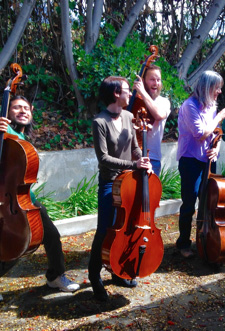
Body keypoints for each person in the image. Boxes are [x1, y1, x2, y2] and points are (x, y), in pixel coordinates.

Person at [0, 96, 80, 305]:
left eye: (26, 108)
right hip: (4, 202)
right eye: (16, 108)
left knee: (51, 236)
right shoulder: (4, 133)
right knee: (13, 247)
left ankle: (55, 277)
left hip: (25, 200)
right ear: (8, 112)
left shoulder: (22, 137)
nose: (22, 111)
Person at [89, 76, 152, 301]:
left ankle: (117, 272)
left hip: (130, 181)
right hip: (110, 183)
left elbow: (135, 148)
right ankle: (94, 276)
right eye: (127, 90)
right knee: (105, 229)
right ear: (116, 93)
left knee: (126, 228)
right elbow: (104, 158)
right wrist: (132, 164)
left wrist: (144, 162)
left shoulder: (128, 116)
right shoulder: (100, 122)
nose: (130, 94)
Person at [176, 70, 225, 258]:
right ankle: (183, 243)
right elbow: (200, 134)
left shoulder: (211, 106)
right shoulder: (190, 106)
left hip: (208, 159)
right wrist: (219, 117)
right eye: (217, 87)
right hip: (190, 160)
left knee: (208, 202)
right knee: (189, 203)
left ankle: (204, 238)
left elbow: (216, 133)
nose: (219, 91)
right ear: (207, 87)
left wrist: (217, 148)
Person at [132, 64, 171, 176]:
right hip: (132, 158)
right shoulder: (133, 100)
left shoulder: (164, 102)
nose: (156, 83)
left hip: (152, 157)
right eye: (152, 80)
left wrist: (143, 93)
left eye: (158, 80)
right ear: (143, 81)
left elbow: (159, 115)